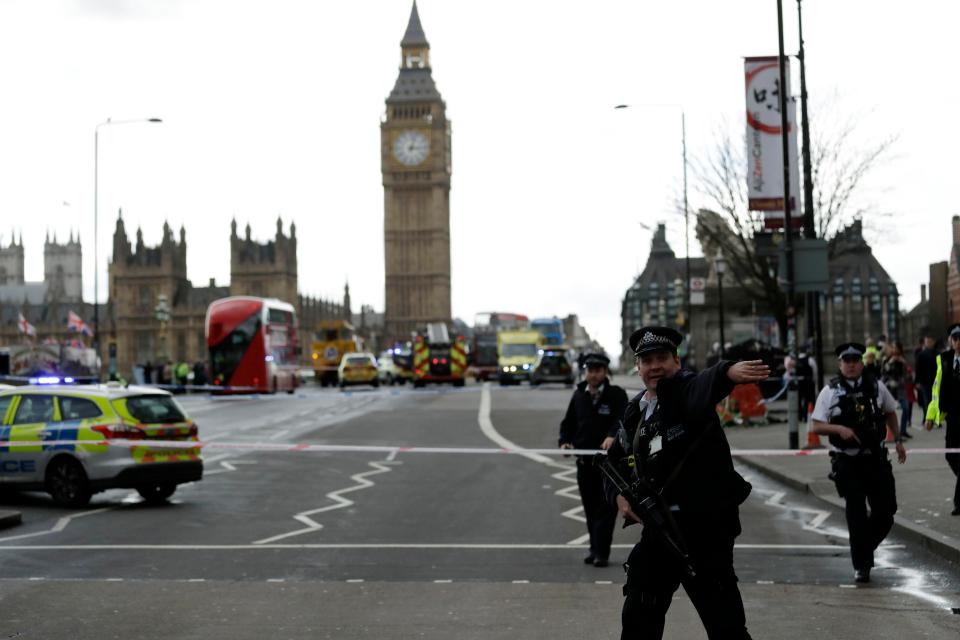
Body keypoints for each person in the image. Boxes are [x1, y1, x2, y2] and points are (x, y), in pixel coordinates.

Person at [604, 326, 768, 639]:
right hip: (659, 530)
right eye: (647, 360)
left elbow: (703, 385)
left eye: (662, 358)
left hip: (705, 532)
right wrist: (619, 498)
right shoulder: (634, 411)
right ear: (637, 367)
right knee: (639, 614)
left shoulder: (685, 391)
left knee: (725, 626)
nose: (655, 366)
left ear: (676, 362)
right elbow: (613, 463)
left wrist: (727, 372)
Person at [811, 342, 907, 583]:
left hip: (875, 459)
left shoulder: (876, 386)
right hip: (847, 462)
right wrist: (839, 429)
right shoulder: (830, 391)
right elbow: (817, 425)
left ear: (862, 363)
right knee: (855, 514)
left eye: (855, 360)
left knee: (886, 512)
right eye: (847, 361)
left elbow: (890, 412)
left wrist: (897, 440)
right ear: (840, 364)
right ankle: (861, 566)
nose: (851, 365)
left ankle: (864, 549)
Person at [559, 352, 628, 567]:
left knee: (606, 510)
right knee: (589, 508)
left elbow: (624, 419)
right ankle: (594, 548)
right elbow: (568, 423)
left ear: (605, 372)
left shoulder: (616, 394)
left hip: (609, 466)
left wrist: (612, 435)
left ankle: (602, 553)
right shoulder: (579, 394)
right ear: (585, 372)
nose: (594, 375)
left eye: (598, 371)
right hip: (584, 463)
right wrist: (565, 442)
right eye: (590, 371)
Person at [924, 323, 960, 516]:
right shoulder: (943, 360)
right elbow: (935, 390)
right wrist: (930, 416)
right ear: (951, 341)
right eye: (956, 339)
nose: (959, 342)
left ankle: (959, 502)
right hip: (952, 416)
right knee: (950, 456)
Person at [881, 341, 911, 438]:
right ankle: (890, 433)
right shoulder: (886, 359)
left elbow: (907, 375)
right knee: (889, 411)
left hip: (900, 389)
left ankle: (903, 431)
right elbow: (883, 372)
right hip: (889, 389)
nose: (894, 350)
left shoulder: (902, 359)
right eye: (892, 348)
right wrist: (890, 362)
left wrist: (904, 363)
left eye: (895, 348)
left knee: (906, 408)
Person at [915, 333, 938, 420]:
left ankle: (933, 418)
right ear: (925, 343)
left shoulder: (937, 353)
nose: (929, 343)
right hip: (925, 382)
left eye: (930, 342)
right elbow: (918, 369)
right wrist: (917, 381)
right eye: (927, 342)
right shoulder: (921, 355)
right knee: (927, 401)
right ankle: (928, 418)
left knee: (934, 400)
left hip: (935, 381)